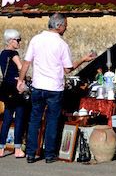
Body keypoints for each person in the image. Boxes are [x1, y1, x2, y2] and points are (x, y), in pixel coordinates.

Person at [17, 13, 96, 163]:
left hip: (38, 86)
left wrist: (20, 81)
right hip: (54, 87)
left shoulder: (36, 39)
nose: (66, 28)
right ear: (59, 26)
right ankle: (49, 154)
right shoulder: (61, 44)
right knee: (52, 120)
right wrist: (83, 59)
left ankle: (31, 153)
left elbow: (26, 63)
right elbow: (68, 69)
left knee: (34, 119)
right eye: (65, 25)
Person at [0, 29, 26, 157]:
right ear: (11, 41)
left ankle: (1, 147)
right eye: (18, 40)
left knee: (7, 118)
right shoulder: (13, 53)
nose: (19, 42)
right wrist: (21, 79)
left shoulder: (3, 54)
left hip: (5, 87)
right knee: (20, 117)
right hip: (15, 88)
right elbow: (21, 67)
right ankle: (17, 148)